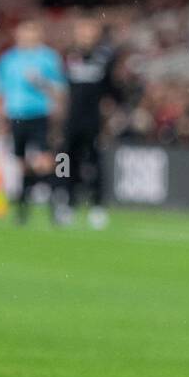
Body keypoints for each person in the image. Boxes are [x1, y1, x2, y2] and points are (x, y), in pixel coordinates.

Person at [0, 19, 66, 224]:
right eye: (23, 34)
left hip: (39, 114)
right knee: (20, 163)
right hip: (15, 115)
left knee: (45, 161)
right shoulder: (8, 60)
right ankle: (23, 210)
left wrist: (42, 83)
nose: (26, 38)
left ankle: (55, 205)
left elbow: (60, 90)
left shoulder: (48, 58)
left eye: (30, 34)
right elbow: (0, 91)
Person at [60, 17, 118, 229]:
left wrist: (111, 115)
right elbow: (62, 88)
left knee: (95, 163)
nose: (85, 35)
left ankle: (97, 206)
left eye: (89, 30)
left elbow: (111, 90)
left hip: (94, 120)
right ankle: (68, 203)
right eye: (82, 31)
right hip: (72, 119)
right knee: (67, 162)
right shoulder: (68, 55)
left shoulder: (104, 57)